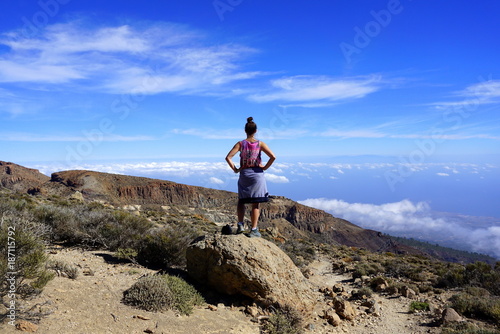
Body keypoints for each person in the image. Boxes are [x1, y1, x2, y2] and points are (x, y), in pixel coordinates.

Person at [225, 117, 276, 237]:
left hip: (245, 174)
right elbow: (273, 157)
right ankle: (253, 229)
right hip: (257, 174)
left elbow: (228, 157)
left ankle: (240, 225)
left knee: (241, 201)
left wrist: (236, 169)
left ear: (245, 130)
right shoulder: (260, 144)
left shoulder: (240, 144)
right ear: (256, 131)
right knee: (255, 203)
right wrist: (264, 168)